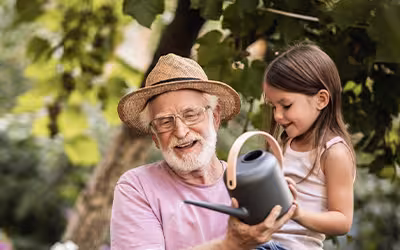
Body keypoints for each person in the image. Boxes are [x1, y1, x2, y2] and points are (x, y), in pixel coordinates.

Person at [111, 53, 296, 250]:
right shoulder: (138, 187)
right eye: (165, 122)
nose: (181, 132)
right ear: (155, 137)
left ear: (215, 118)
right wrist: (230, 245)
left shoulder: (249, 185)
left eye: (191, 114)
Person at [262, 43, 356, 250]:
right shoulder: (285, 143)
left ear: (321, 100)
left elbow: (343, 220)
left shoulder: (334, 152)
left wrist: (298, 214)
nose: (277, 115)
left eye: (286, 105)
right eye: (273, 106)